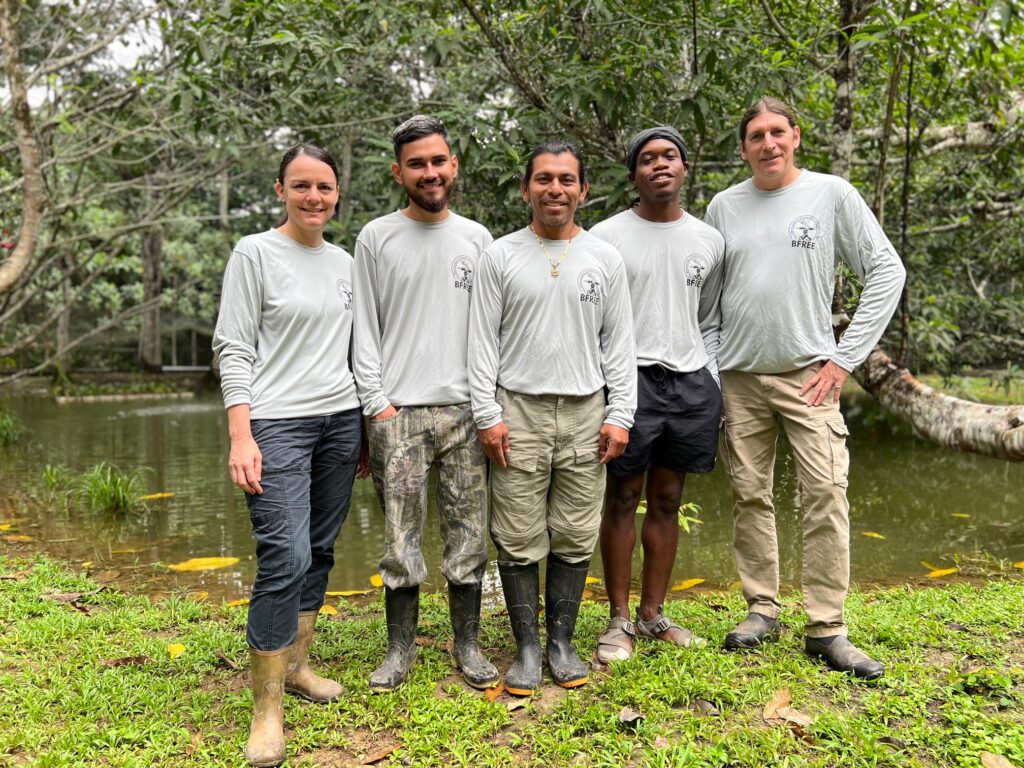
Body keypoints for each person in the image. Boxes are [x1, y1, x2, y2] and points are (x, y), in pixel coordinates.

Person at [705, 98, 905, 679]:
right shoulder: (724, 206)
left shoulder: (831, 194)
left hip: (809, 375)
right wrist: (713, 366)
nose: (767, 144)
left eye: (777, 133)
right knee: (749, 494)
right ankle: (761, 609)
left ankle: (827, 627)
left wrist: (844, 362)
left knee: (826, 493)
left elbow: (886, 271)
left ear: (796, 136)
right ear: (742, 148)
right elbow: (711, 298)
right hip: (739, 378)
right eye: (755, 136)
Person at [213, 143, 365, 767]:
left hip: (340, 421)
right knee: (285, 555)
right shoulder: (255, 253)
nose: (314, 198)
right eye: (301, 186)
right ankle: (266, 709)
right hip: (276, 424)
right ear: (280, 190)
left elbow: (358, 348)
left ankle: (298, 668)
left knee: (321, 551)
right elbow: (234, 347)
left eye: (324, 188)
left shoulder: (346, 262)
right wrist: (240, 433)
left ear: (337, 194)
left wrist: (363, 425)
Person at [468, 141, 636, 695]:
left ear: (583, 190)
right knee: (516, 533)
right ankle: (527, 648)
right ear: (526, 189)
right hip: (518, 410)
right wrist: (487, 414)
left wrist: (621, 414)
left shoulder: (605, 259)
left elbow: (619, 345)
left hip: (588, 410)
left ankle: (561, 642)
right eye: (544, 179)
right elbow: (481, 343)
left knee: (574, 530)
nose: (555, 189)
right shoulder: (500, 255)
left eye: (567, 179)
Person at [352, 115, 498, 692]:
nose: (430, 172)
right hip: (399, 413)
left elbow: (489, 331)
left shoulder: (478, 239)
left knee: (468, 534)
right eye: (417, 164)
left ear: (453, 165)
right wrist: (376, 405)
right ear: (398, 172)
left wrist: (486, 407)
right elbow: (364, 325)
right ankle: (399, 650)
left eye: (438, 161)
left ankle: (467, 644)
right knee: (398, 539)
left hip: (465, 411)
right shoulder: (376, 237)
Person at [590, 126, 724, 662]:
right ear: (633, 175)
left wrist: (711, 378)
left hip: (691, 382)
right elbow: (595, 319)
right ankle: (618, 619)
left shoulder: (709, 240)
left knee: (669, 500)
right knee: (622, 498)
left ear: (685, 168)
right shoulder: (606, 237)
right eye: (648, 159)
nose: (659, 165)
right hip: (630, 380)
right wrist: (609, 389)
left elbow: (710, 317)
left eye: (670, 155)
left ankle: (653, 615)